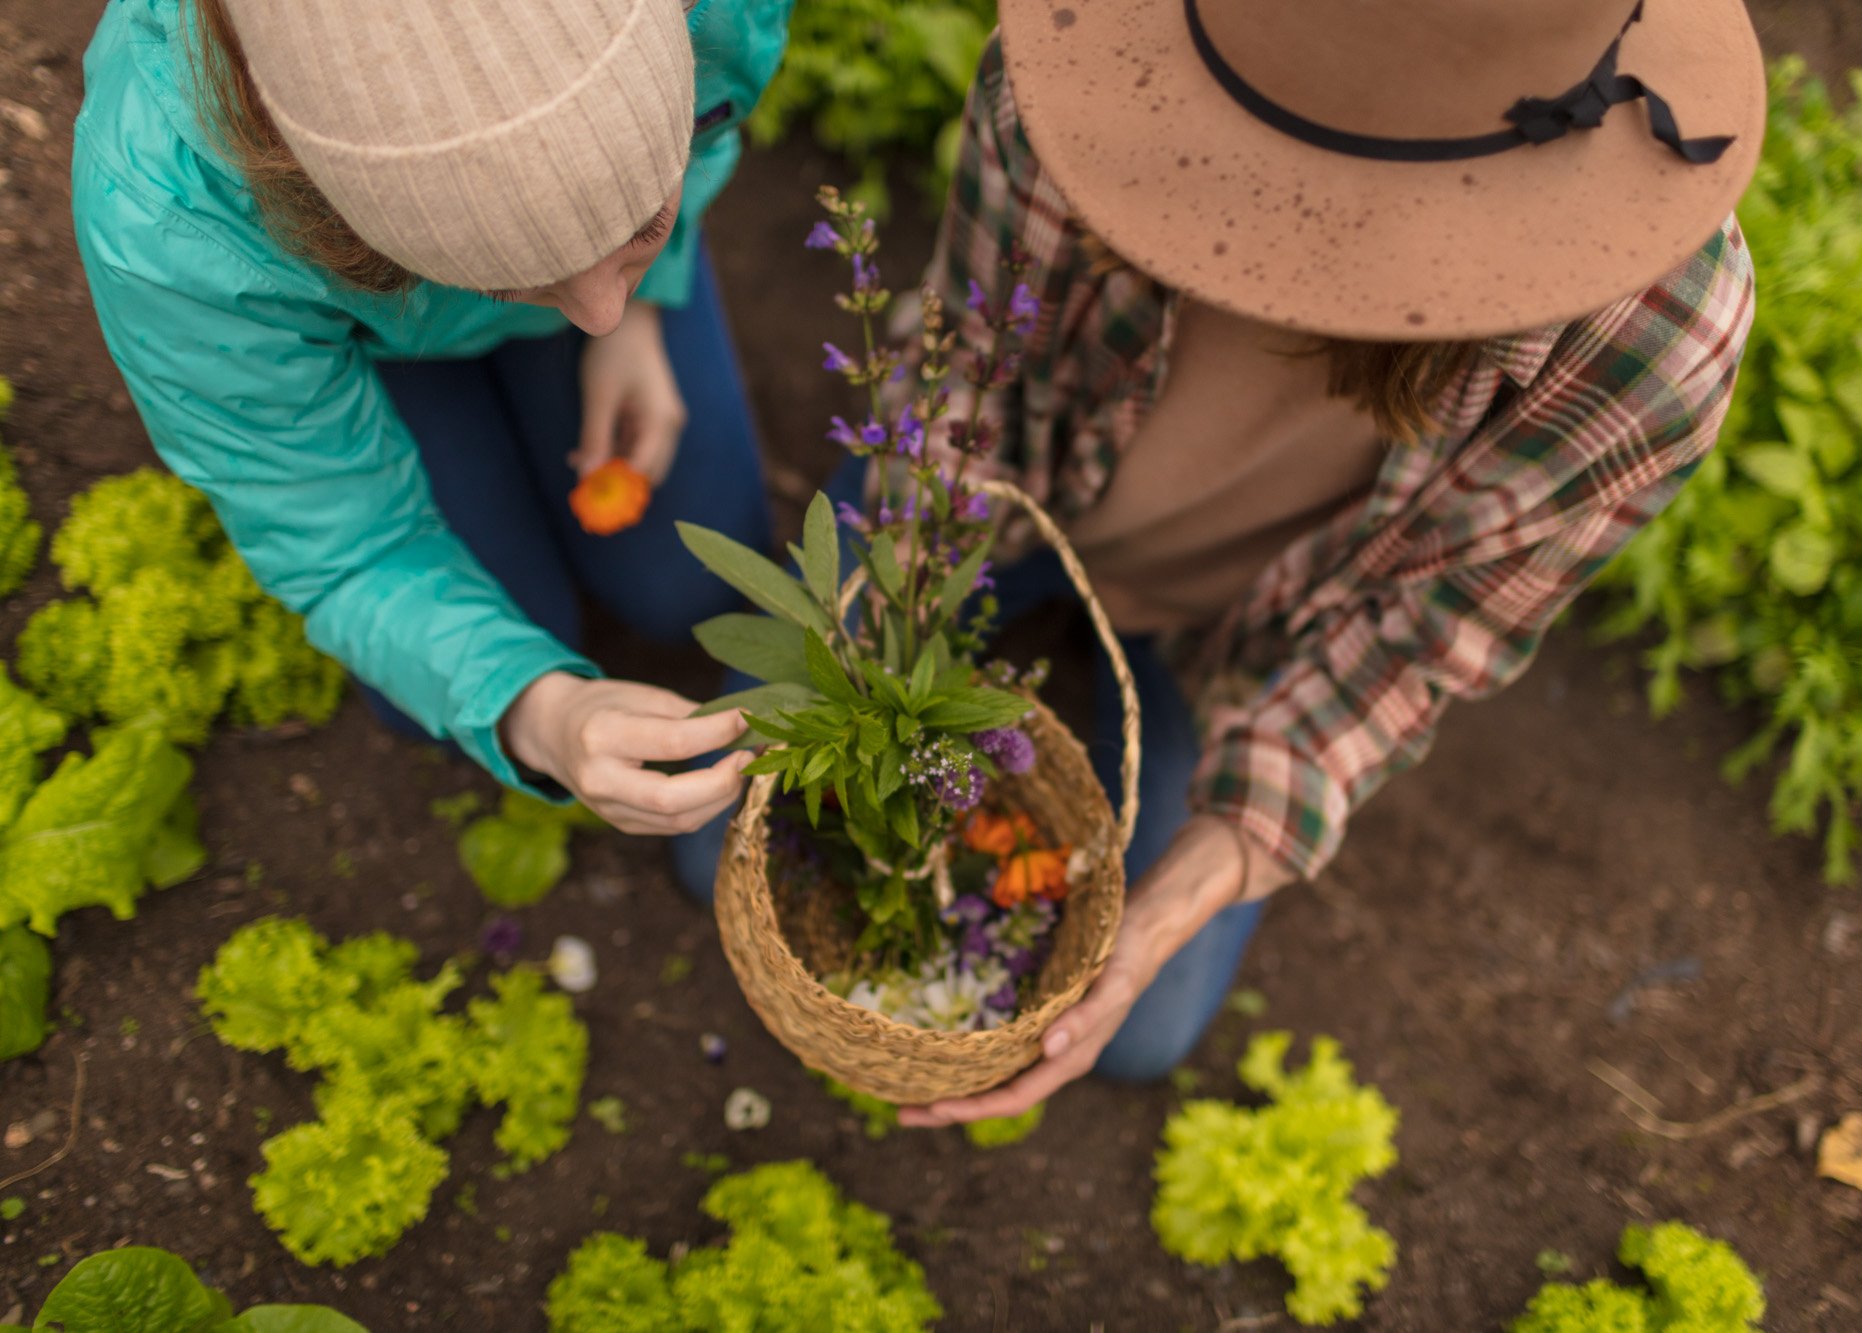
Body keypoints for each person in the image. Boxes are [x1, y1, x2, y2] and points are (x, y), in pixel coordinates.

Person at [897, 0, 1763, 1127]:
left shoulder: (1651, 344)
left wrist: (1184, 887)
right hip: (1022, 504)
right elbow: (963, 366)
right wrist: (898, 599)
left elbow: (1422, 641)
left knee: (1136, 1026)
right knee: (734, 848)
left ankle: (1141, 694)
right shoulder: (1077, 76)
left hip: (1238, 641)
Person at [70, 0, 794, 842]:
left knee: (694, 586)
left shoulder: (712, 14)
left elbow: (705, 124)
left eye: (641, 220)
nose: (595, 311)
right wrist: (538, 709)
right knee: (496, 649)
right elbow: (347, 551)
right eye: (505, 277)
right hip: (375, 347)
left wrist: (645, 301)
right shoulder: (171, 213)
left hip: (506, 283)